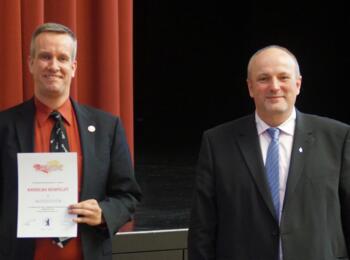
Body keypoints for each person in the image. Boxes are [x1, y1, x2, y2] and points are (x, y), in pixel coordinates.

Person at [188, 45, 350, 259]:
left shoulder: (336, 137)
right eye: (264, 79)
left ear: (298, 84)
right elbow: (203, 227)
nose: (274, 87)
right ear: (250, 87)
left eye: (283, 77)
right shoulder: (217, 142)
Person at [0, 23, 142, 260]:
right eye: (45, 56)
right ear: (31, 63)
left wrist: (104, 213)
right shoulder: (4, 126)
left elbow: (128, 196)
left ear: (73, 67)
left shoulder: (107, 127)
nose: (53, 66)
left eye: (62, 58)